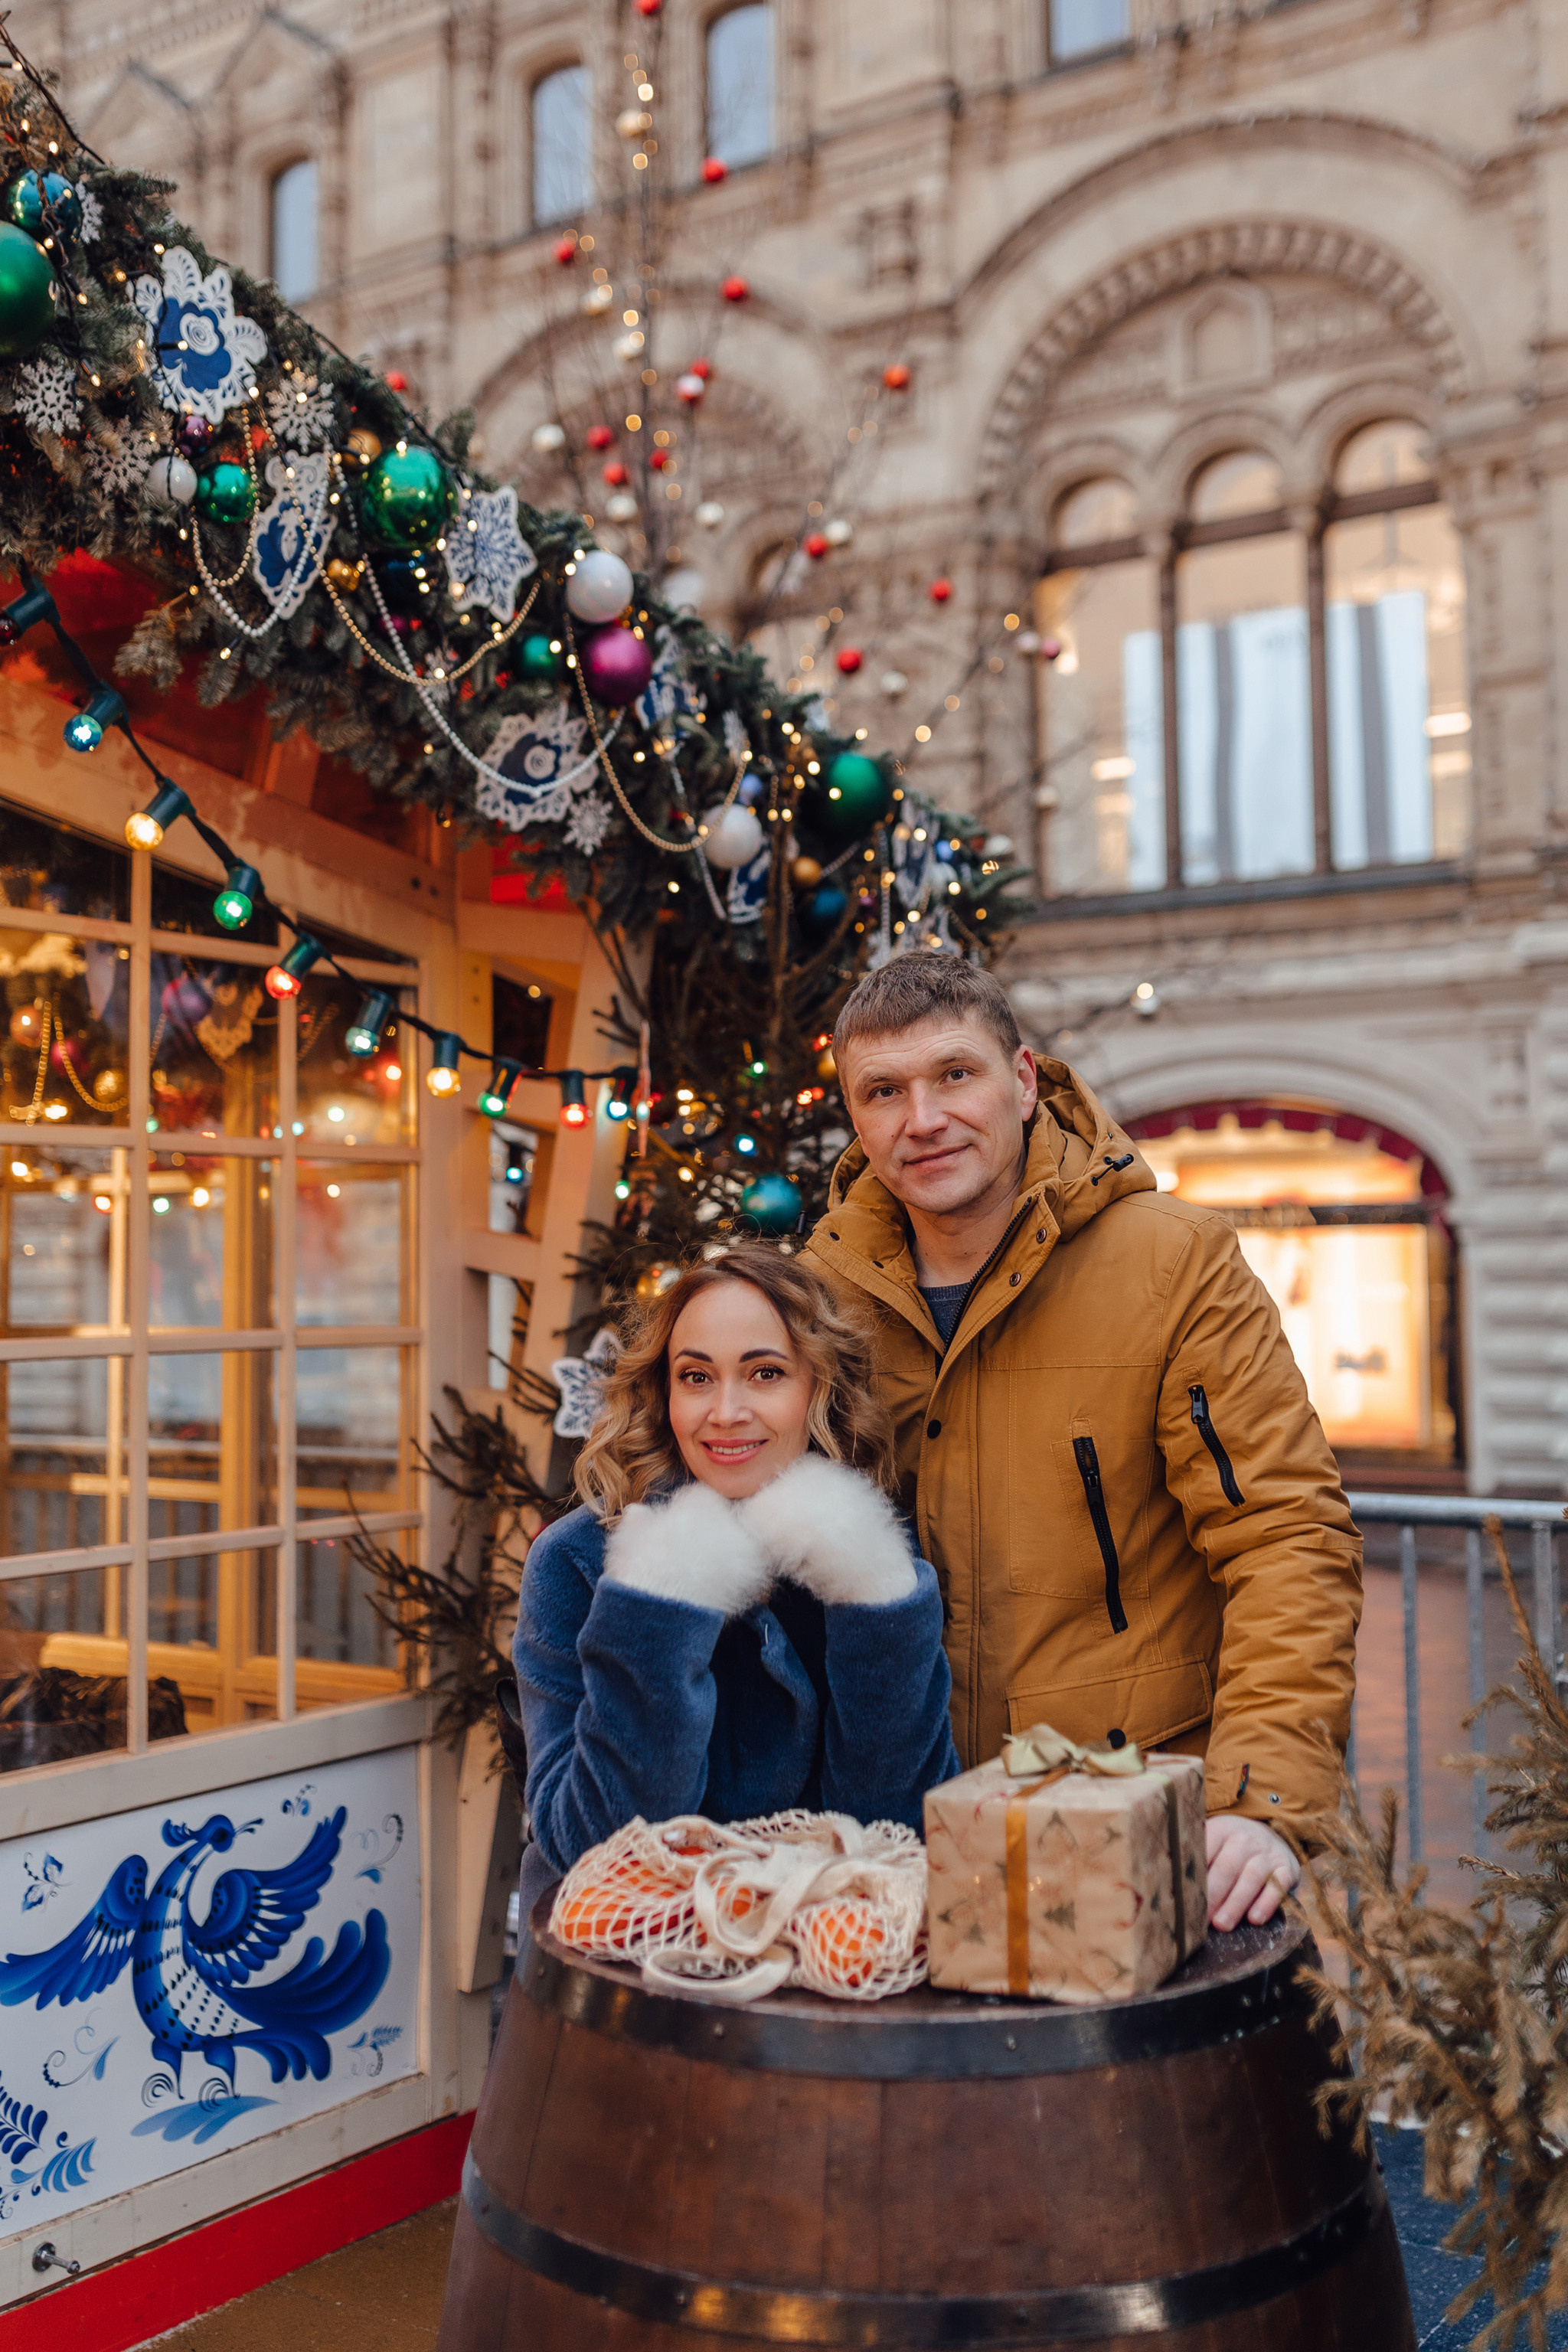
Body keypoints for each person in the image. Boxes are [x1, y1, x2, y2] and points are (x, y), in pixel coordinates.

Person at [803, 956, 1363, 1935]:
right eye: (882, 1092)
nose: (921, 1119)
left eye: (953, 1076)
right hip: (896, 1838)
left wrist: (1260, 1799)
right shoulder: (818, 1298)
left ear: (1023, 1081)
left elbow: (1283, 1539)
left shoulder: (1172, 1262)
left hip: (1127, 1820)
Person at [511, 1245, 960, 1923]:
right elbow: (593, 1849)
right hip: (632, 1984)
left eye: (765, 1373)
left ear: (818, 1387)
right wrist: (656, 1602)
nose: (725, 1412)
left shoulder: (862, 1547)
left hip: (818, 1980)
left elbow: (899, 1835)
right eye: (696, 1377)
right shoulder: (577, 1560)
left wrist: (874, 1599)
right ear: (664, 1393)